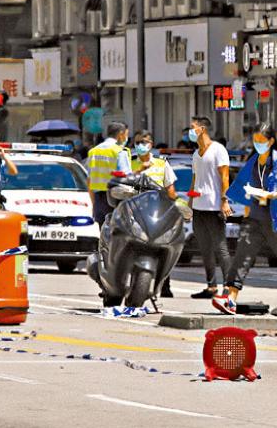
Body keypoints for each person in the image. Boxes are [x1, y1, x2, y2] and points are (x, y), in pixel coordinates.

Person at [220, 124, 277, 314]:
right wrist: (245, 216)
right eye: (256, 141)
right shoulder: (252, 162)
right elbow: (244, 189)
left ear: (270, 141)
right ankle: (230, 298)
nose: (258, 144)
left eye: (262, 141)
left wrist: (271, 195)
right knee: (242, 256)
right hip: (254, 218)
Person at [129, 130, 179, 297]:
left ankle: (164, 286)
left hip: (158, 214)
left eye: (144, 142)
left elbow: (171, 191)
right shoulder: (130, 164)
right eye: (138, 142)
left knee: (163, 249)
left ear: (151, 144)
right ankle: (134, 286)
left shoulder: (162, 164)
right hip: (135, 215)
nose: (141, 145)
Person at [187, 116, 231, 300]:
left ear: (202, 128)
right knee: (205, 249)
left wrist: (224, 200)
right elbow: (195, 179)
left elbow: (225, 177)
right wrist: (190, 201)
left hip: (214, 207)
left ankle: (229, 287)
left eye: (193, 127)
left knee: (220, 247)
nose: (190, 131)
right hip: (199, 206)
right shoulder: (196, 154)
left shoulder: (218, 150)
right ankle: (211, 286)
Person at [87, 121, 132, 225]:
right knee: (117, 236)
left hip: (98, 199)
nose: (126, 138)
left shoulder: (93, 151)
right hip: (115, 200)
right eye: (126, 135)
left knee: (103, 235)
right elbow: (127, 179)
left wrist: (94, 204)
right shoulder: (119, 151)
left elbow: (89, 181)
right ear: (121, 134)